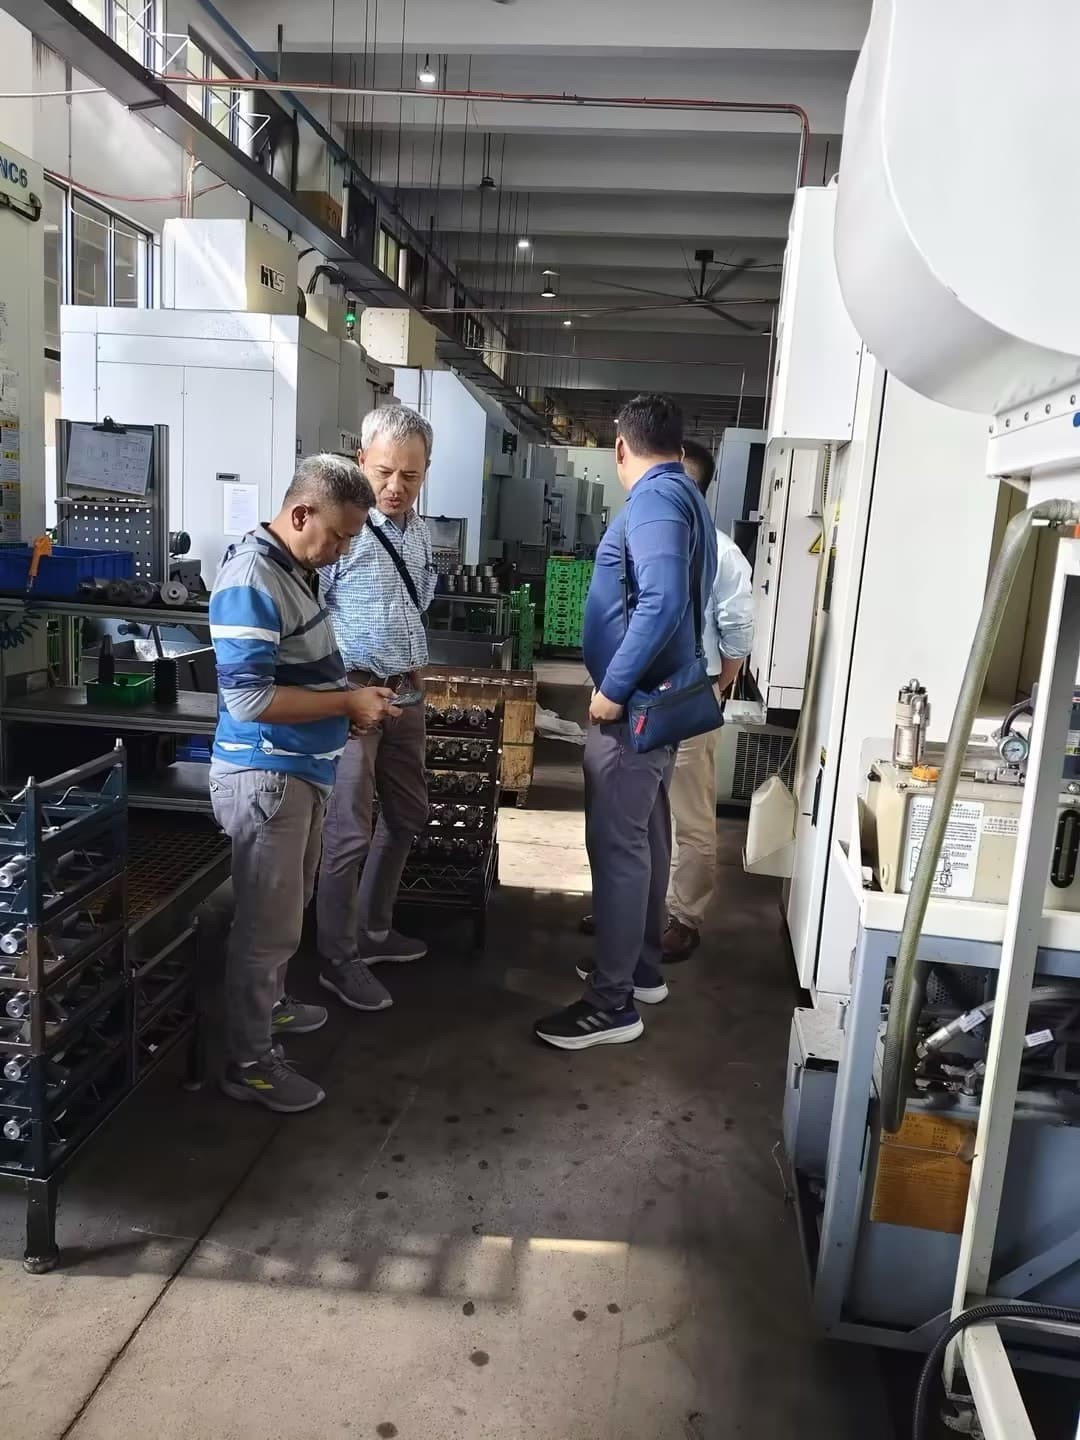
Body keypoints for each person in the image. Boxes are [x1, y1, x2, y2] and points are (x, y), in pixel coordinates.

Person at [210, 454, 398, 1114]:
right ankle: (249, 1063)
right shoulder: (252, 578)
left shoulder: (295, 568)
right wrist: (345, 707)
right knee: (265, 928)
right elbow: (249, 700)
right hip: (266, 778)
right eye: (340, 536)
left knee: (284, 919)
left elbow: (296, 675)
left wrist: (344, 697)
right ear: (301, 513)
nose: (344, 549)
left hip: (299, 773)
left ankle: (273, 1009)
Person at [534, 395, 718, 1051]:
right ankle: (638, 969)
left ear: (620, 447)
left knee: (618, 849)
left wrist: (612, 689)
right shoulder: (686, 495)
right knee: (647, 838)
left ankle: (610, 1005)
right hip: (659, 703)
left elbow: (664, 598)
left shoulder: (655, 501)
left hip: (635, 708)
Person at [316, 406, 437, 1007]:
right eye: (385, 472)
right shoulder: (344, 527)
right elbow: (309, 609)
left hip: (406, 689)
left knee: (408, 813)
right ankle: (337, 960)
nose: (395, 488)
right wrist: (335, 692)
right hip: (352, 690)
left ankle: (372, 930)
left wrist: (411, 657)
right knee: (346, 833)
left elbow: (424, 592)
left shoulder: (419, 531)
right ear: (361, 460)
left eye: (410, 477)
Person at [662, 438, 754, 960]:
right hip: (644, 699)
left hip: (692, 695)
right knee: (642, 812)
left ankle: (684, 917)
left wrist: (715, 688)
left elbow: (738, 629)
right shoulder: (650, 540)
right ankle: (633, 907)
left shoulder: (720, 552)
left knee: (689, 815)